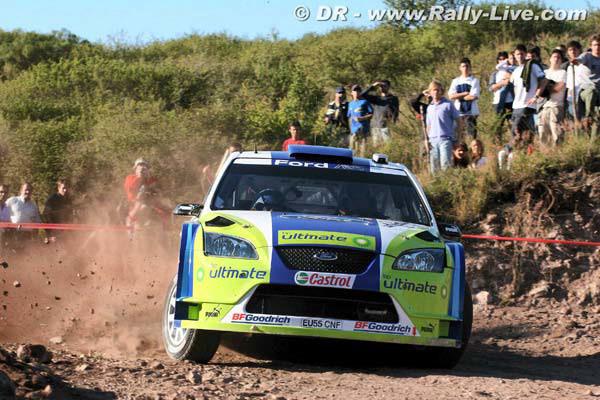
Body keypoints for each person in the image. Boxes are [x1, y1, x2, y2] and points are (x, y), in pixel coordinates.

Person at [510, 44, 547, 146]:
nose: (520, 56)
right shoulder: (516, 70)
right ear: (514, 55)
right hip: (517, 105)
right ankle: (526, 151)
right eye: (517, 54)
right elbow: (515, 87)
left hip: (527, 105)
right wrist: (518, 97)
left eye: (522, 54)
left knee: (516, 131)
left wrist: (535, 96)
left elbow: (543, 80)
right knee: (525, 133)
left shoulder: (533, 66)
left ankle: (511, 150)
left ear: (526, 54)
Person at [425, 80, 459, 174]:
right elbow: (428, 126)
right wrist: (426, 140)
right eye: (433, 90)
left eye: (437, 90)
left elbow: (459, 121)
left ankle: (447, 181)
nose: (435, 92)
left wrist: (458, 137)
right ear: (430, 92)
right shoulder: (430, 107)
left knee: (445, 165)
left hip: (445, 139)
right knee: (434, 168)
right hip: (432, 141)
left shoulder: (448, 104)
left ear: (441, 91)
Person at [124, 158, 168, 230]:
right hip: (134, 203)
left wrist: (148, 180)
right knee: (143, 205)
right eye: (140, 166)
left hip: (150, 204)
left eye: (145, 166)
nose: (142, 168)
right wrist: (139, 177)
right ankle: (131, 221)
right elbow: (130, 187)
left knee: (164, 208)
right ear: (135, 168)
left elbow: (159, 190)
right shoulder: (130, 178)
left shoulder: (152, 179)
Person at [538, 49, 567, 146]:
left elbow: (557, 88)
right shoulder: (544, 72)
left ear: (561, 60)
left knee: (556, 133)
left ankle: (558, 152)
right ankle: (546, 153)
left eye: (559, 57)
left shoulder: (563, 73)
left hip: (556, 106)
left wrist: (544, 87)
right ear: (550, 59)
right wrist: (545, 87)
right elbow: (537, 88)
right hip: (543, 106)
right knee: (543, 134)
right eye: (554, 56)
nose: (556, 59)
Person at [573, 35, 600, 137]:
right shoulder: (587, 56)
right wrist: (576, 61)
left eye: (599, 45)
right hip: (586, 90)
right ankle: (588, 117)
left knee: (597, 120)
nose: (597, 47)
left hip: (598, 92)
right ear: (591, 46)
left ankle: (593, 141)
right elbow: (579, 60)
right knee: (592, 91)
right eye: (595, 45)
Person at [449, 58, 480, 142]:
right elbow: (451, 96)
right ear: (460, 68)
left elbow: (473, 96)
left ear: (470, 67)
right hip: (458, 113)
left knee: (472, 137)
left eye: (467, 66)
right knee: (458, 137)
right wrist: (464, 94)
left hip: (471, 113)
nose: (465, 68)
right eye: (463, 66)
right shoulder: (455, 81)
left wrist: (458, 96)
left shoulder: (474, 80)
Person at [359, 80, 399, 146]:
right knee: (376, 146)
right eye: (381, 86)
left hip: (386, 127)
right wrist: (373, 86)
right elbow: (362, 95)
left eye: (385, 86)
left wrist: (393, 125)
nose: (383, 87)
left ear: (389, 87)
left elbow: (396, 112)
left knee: (388, 146)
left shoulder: (393, 99)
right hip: (375, 126)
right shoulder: (376, 98)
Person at [489, 51, 514, 143]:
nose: (502, 61)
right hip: (498, 102)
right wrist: (502, 83)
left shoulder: (512, 70)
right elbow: (491, 88)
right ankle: (498, 142)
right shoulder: (495, 74)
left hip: (511, 101)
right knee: (499, 124)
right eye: (500, 59)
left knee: (512, 124)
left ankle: (514, 141)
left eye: (504, 59)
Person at [347, 84, 373, 156]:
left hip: (364, 130)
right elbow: (349, 117)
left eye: (358, 91)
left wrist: (361, 118)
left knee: (363, 152)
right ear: (352, 93)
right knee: (352, 151)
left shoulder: (365, 102)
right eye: (355, 91)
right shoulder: (350, 104)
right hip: (354, 131)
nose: (356, 92)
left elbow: (371, 114)